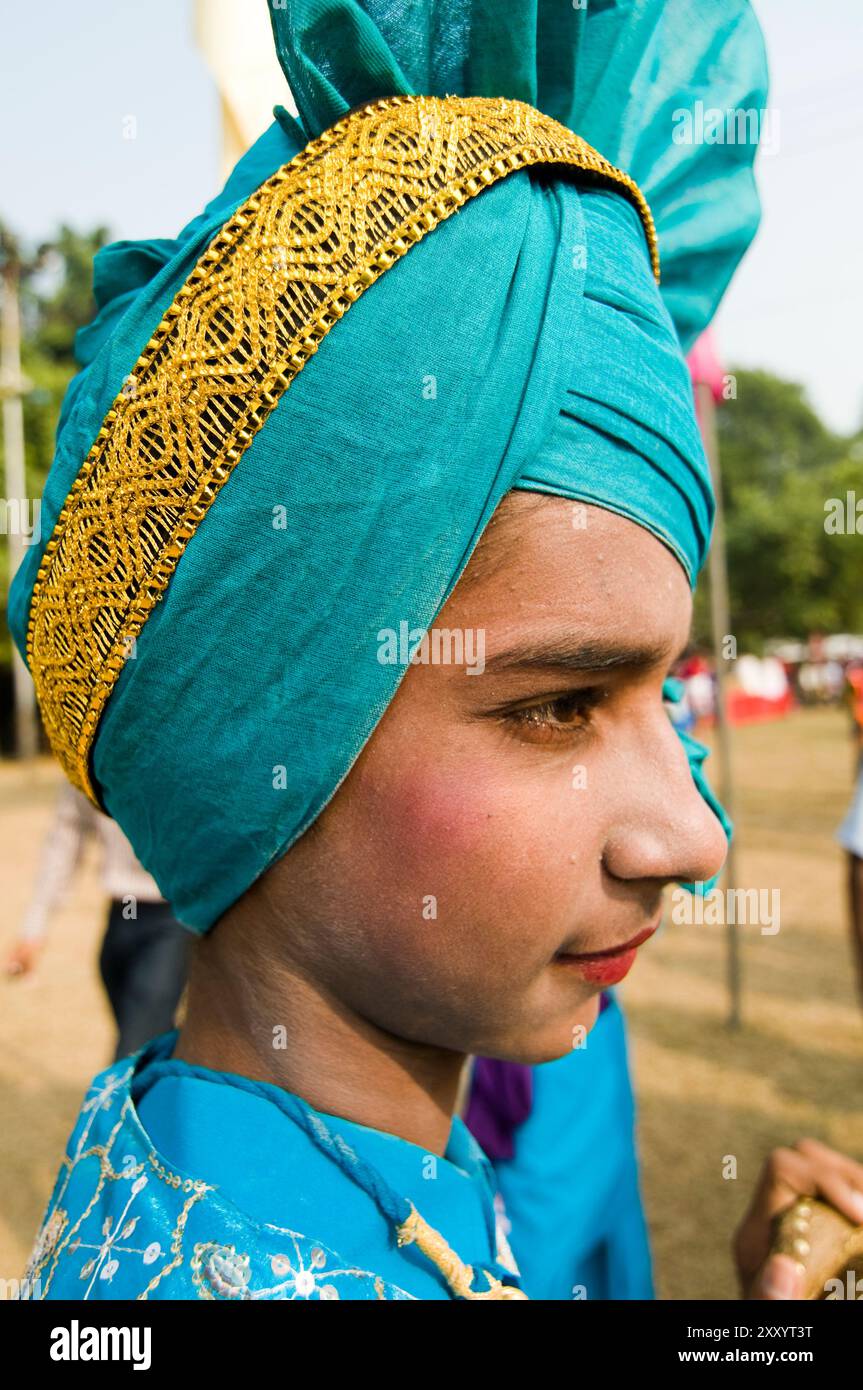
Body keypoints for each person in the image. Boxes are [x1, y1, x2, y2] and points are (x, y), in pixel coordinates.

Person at [10, 0, 863, 1302]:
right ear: (261, 739)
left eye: (664, 692)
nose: (693, 838)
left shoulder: (287, 1158)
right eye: (559, 707)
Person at [5, 782, 189, 1060]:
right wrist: (34, 930)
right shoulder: (84, 755)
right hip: (121, 916)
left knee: (133, 1052)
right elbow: (65, 839)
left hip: (173, 916)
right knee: (149, 1042)